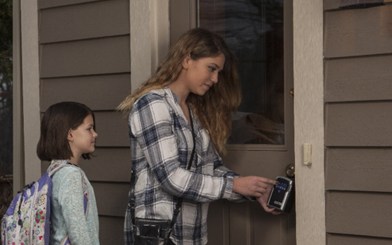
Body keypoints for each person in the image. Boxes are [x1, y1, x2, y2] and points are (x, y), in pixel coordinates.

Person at [118, 28, 280, 245]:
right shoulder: (153, 104)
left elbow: (211, 168)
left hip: (191, 235)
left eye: (218, 72)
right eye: (211, 69)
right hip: (158, 236)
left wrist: (252, 190)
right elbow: (171, 178)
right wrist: (234, 186)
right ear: (187, 59)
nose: (214, 79)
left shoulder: (195, 111)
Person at [37, 101, 100, 244]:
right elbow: (78, 233)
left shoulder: (54, 170)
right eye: (89, 129)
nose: (95, 134)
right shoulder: (70, 175)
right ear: (70, 134)